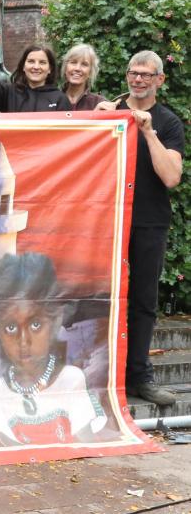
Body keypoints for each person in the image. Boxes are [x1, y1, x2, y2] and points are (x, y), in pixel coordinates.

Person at [98, 51, 184, 405]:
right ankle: (99, 374)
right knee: (99, 296)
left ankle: (138, 377)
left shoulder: (168, 122)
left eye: (147, 75)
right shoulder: (106, 111)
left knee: (144, 302)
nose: (138, 80)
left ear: (159, 80)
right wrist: (97, 120)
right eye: (134, 73)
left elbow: (172, 176)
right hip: (107, 216)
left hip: (149, 219)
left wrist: (148, 133)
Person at [0, 253, 108, 446]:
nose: (23, 341)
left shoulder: (70, 380)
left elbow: (86, 449)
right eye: (10, 327)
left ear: (55, 321)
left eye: (34, 325)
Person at [0, 28, 70, 112]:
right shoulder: (10, 94)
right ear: (23, 66)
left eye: (42, 62)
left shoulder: (60, 99)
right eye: (31, 61)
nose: (36, 67)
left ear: (50, 69)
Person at [59, 43, 106, 111]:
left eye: (84, 64)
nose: (77, 68)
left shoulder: (99, 102)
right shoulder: (52, 100)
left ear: (90, 72)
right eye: (73, 62)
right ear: (65, 67)